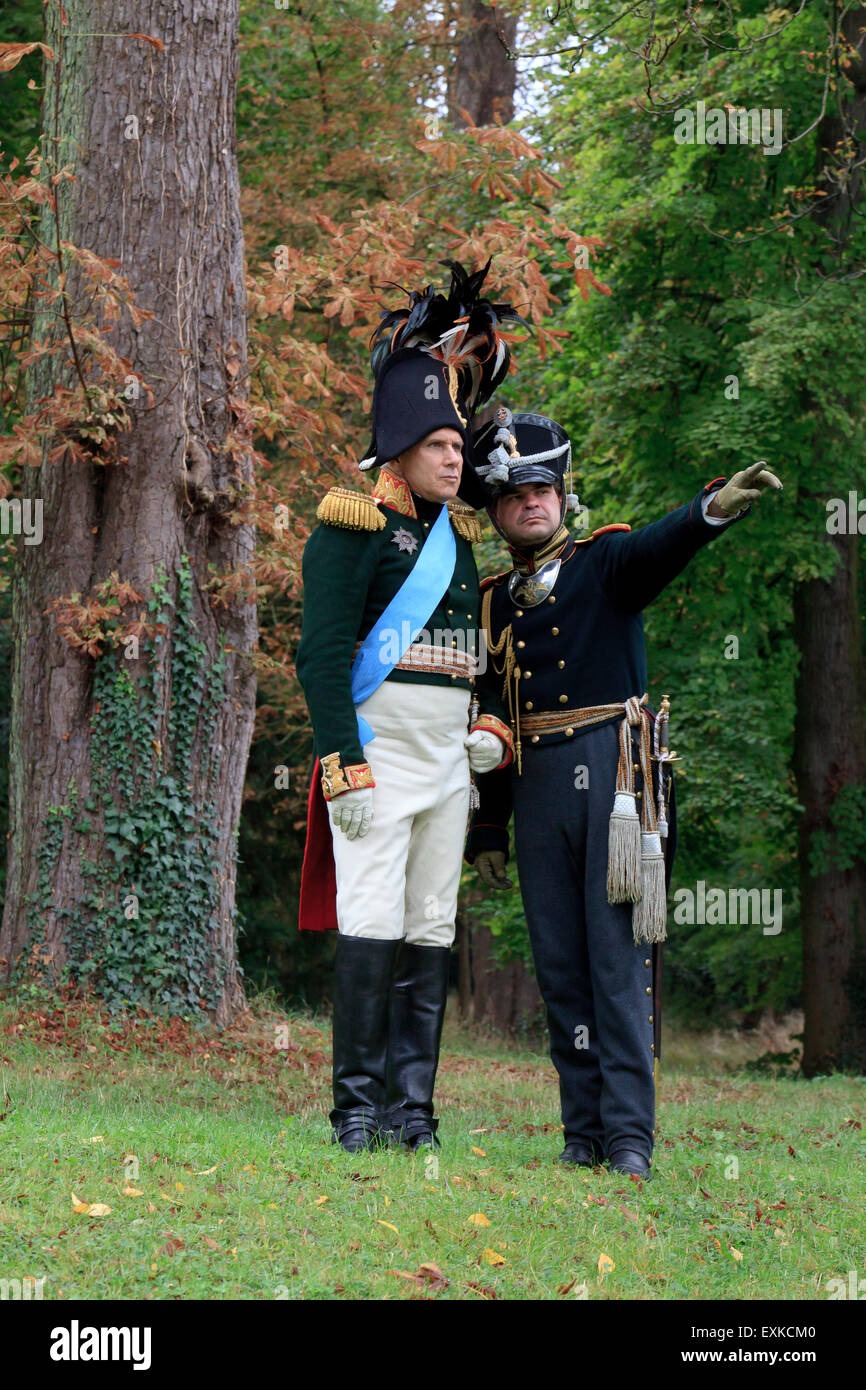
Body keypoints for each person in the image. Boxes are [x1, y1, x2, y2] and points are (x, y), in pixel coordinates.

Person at [465, 406, 783, 1177]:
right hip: (536, 783)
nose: (530, 503)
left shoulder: (605, 564)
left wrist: (708, 511)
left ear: (563, 493)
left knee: (616, 964)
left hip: (614, 780)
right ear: (497, 512)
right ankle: (583, 1135)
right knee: (560, 967)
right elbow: (493, 720)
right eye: (513, 495)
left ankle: (631, 1139)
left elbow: (657, 547)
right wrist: (488, 832)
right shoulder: (490, 601)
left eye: (542, 488)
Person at [296, 264, 518, 1153]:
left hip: (445, 766)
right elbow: (320, 657)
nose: (457, 458)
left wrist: (490, 729)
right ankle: (355, 1110)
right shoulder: (351, 523)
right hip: (377, 759)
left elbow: (478, 662)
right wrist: (341, 763)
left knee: (430, 925)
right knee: (373, 922)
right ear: (400, 447)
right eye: (440, 446)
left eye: (460, 446)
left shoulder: (461, 537)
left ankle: (411, 1111)